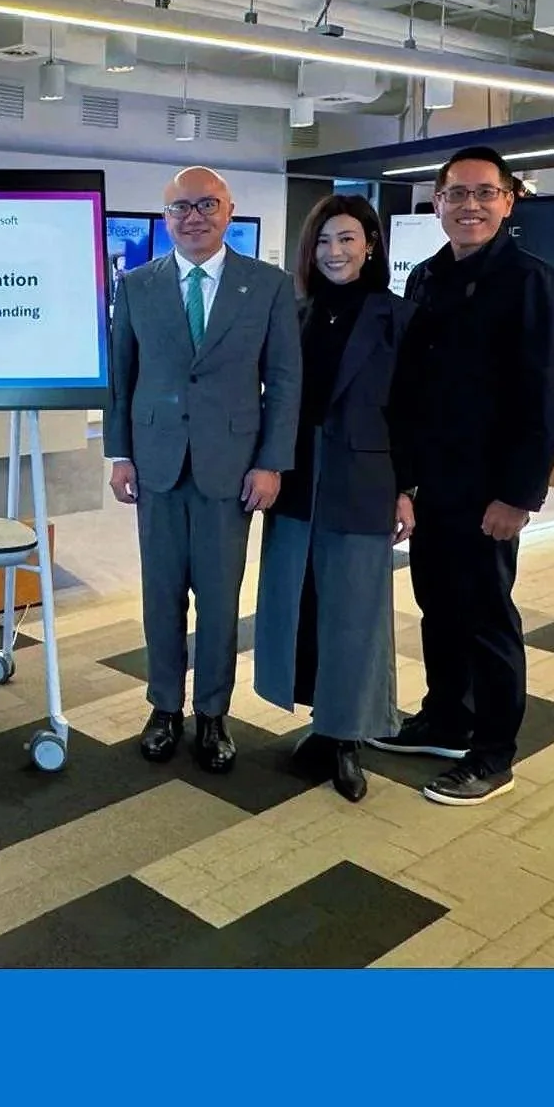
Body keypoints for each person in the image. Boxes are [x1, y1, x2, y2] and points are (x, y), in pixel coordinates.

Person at [373, 146, 554, 805]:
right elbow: (407, 390)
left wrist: (518, 495)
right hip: (431, 482)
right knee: (438, 604)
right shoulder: (425, 278)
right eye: (455, 193)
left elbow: (548, 398)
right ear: (435, 202)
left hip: (489, 488)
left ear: (507, 200)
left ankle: (492, 752)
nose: (469, 205)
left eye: (483, 193)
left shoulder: (529, 280)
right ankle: (445, 717)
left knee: (487, 616)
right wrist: (401, 481)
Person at [106, 167, 301, 773]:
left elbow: (286, 382)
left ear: (229, 210)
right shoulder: (137, 285)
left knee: (219, 600)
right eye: (180, 208)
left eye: (206, 205)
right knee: (160, 596)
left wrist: (272, 462)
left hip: (231, 467)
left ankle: (212, 714)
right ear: (166, 218)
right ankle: (164, 706)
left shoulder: (267, 285)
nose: (193, 217)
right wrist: (120, 453)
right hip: (157, 463)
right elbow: (122, 378)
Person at [252, 195, 414, 802]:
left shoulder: (398, 317)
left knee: (355, 611)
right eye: (323, 242)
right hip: (295, 476)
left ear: (370, 244)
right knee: (301, 601)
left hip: (364, 478)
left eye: (347, 239)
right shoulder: (294, 314)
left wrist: (406, 488)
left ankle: (347, 736)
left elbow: (413, 412)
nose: (334, 252)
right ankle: (321, 721)